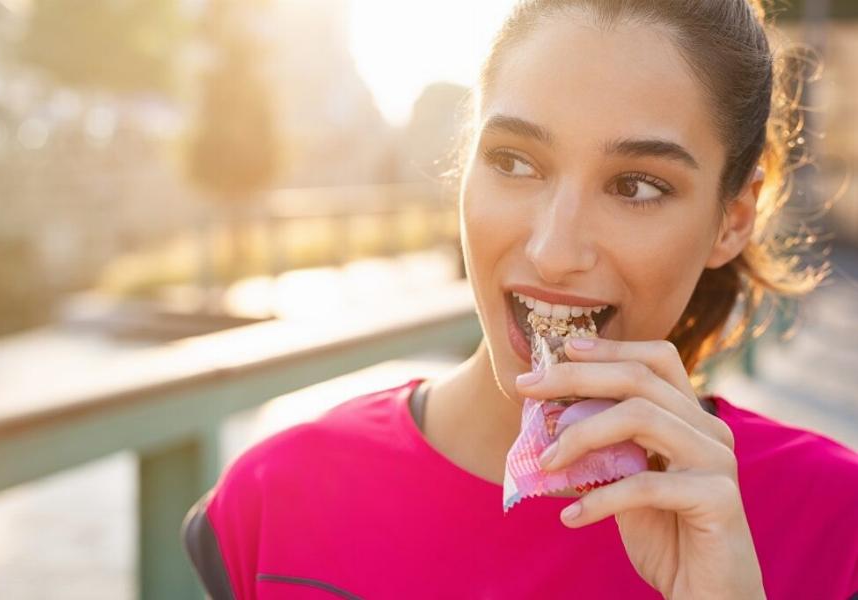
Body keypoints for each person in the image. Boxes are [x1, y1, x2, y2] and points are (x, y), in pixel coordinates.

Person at [182, 1, 858, 598]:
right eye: (514, 162)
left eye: (636, 186)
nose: (553, 250)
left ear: (733, 220)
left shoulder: (834, 527)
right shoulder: (275, 503)